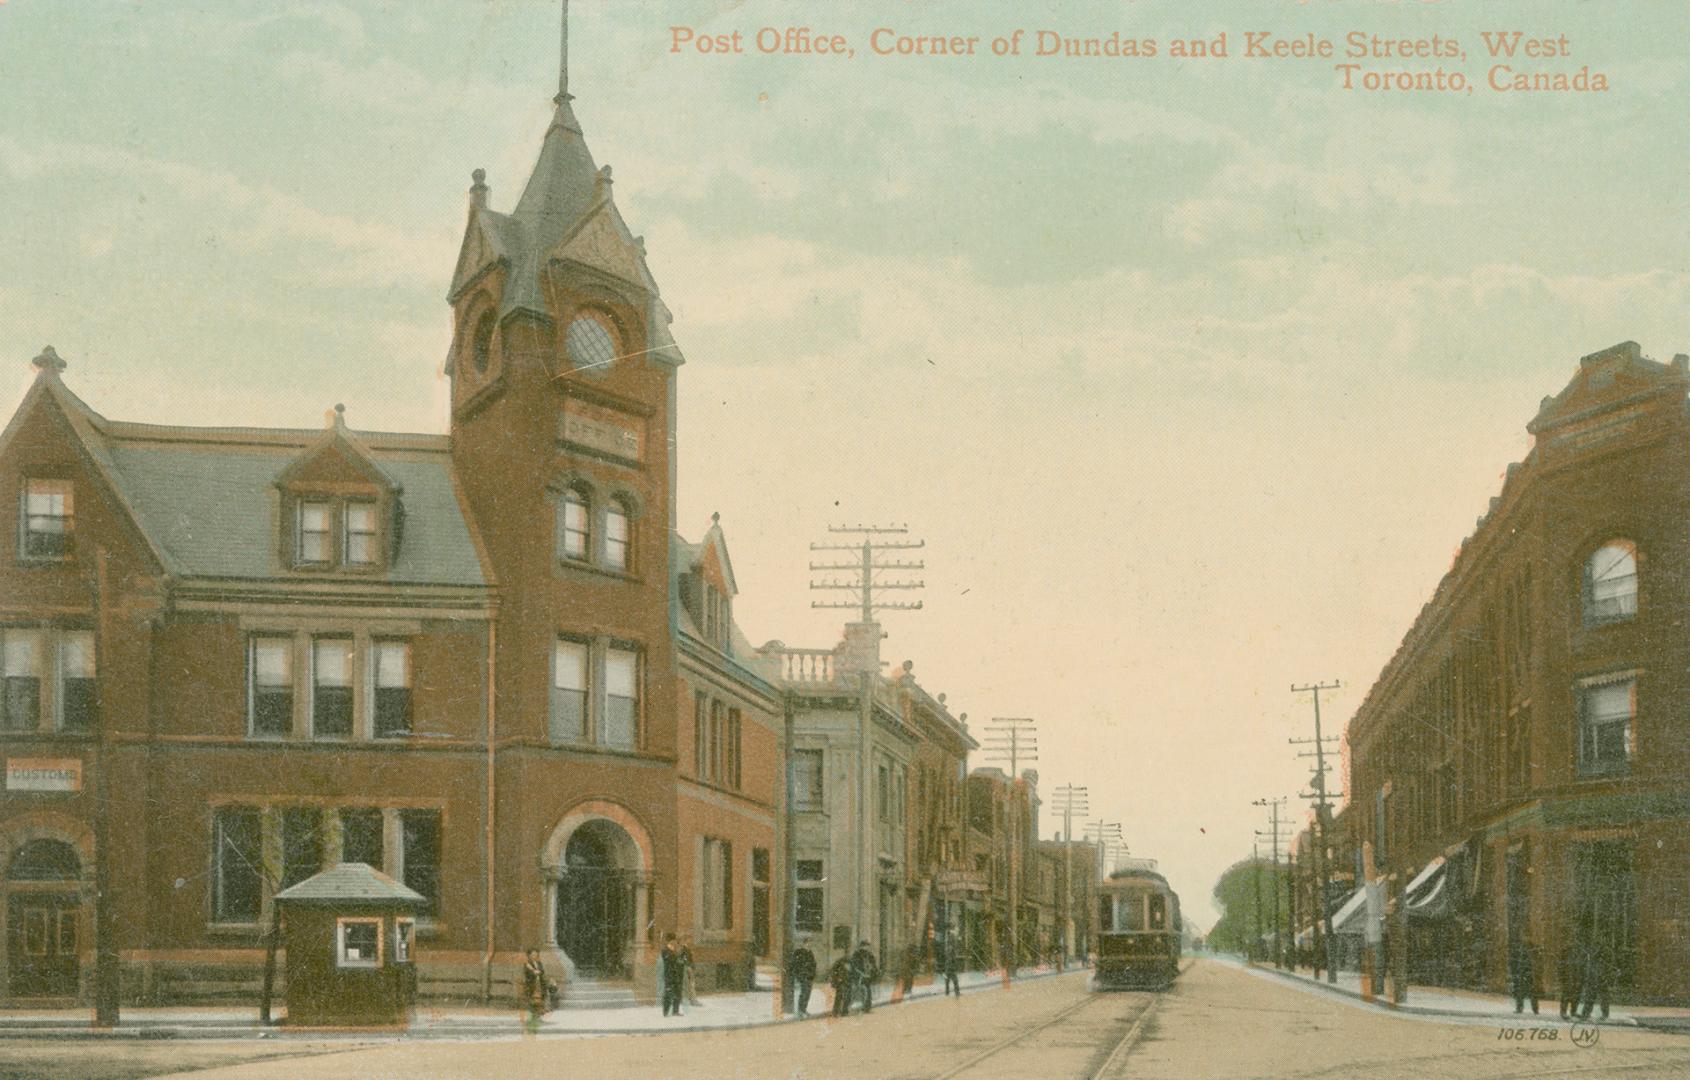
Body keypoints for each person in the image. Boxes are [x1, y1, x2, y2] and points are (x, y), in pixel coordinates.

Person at [787, 938, 817, 1017]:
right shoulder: (798, 952)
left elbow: (814, 964)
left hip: (809, 977)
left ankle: (803, 1010)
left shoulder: (810, 953)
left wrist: (813, 974)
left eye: (810, 944)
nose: (809, 945)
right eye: (808, 943)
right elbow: (793, 964)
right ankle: (799, 1011)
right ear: (804, 944)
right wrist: (797, 975)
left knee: (807, 994)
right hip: (801, 977)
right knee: (801, 994)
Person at [521, 949, 550, 1031]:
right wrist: (534, 972)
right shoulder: (527, 964)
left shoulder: (539, 963)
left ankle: (538, 1017)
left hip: (540, 985)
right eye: (533, 955)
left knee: (541, 1001)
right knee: (532, 1001)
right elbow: (528, 974)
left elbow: (542, 972)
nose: (534, 956)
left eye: (536, 955)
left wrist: (537, 972)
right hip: (531, 985)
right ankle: (531, 1018)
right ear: (529, 956)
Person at [1508, 938, 1539, 1015]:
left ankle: (1522, 1008)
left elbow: (1516, 965)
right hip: (1526, 976)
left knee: (1522, 993)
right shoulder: (1525, 954)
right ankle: (1534, 1009)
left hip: (1524, 975)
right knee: (1529, 993)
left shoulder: (1520, 954)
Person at [850, 939, 879, 1014]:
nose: (866, 948)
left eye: (867, 946)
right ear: (861, 946)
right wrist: (858, 974)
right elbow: (854, 965)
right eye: (865, 946)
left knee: (868, 991)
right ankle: (854, 1006)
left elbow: (873, 964)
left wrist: (874, 972)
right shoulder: (857, 954)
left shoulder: (869, 954)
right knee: (859, 990)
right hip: (860, 975)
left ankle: (867, 1007)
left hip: (867, 975)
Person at [660, 933, 685, 1017]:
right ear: (670, 942)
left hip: (677, 975)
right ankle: (665, 1012)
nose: (675, 943)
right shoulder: (665, 950)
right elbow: (668, 960)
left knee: (678, 993)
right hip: (669, 975)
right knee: (668, 993)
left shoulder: (676, 951)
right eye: (673, 941)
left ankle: (675, 1011)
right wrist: (675, 954)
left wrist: (680, 958)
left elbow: (681, 961)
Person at [681, 936, 702, 1006]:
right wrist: (688, 966)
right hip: (688, 969)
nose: (690, 941)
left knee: (690, 985)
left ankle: (691, 1000)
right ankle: (693, 1000)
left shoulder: (686, 949)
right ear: (685, 941)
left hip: (689, 968)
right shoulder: (684, 949)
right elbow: (683, 959)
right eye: (689, 940)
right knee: (691, 985)